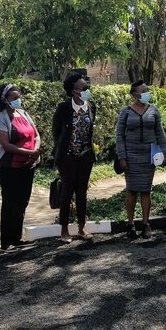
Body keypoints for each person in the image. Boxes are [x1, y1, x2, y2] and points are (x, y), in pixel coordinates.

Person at [115, 80, 166, 239]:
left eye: (147, 89)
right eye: (143, 90)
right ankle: (130, 224)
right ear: (135, 94)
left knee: (146, 191)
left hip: (149, 156)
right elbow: (119, 136)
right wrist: (122, 156)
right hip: (131, 156)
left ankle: (146, 224)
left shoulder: (154, 110)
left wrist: (165, 153)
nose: (147, 92)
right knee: (131, 191)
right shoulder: (125, 111)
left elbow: (160, 134)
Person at [0, 84, 41, 251]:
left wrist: (35, 152)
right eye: (13, 98)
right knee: (10, 202)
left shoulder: (24, 114)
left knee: (22, 202)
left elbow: (36, 135)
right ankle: (6, 242)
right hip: (8, 166)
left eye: (18, 97)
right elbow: (5, 145)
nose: (17, 100)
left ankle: (17, 238)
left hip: (27, 165)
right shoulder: (1, 117)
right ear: (5, 100)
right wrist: (30, 153)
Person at [52, 72, 96, 242]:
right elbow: (57, 133)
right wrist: (61, 154)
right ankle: (64, 229)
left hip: (85, 156)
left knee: (82, 192)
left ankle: (81, 227)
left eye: (87, 87)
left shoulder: (91, 107)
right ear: (73, 91)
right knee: (67, 192)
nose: (87, 90)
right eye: (83, 88)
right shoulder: (63, 108)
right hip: (67, 157)